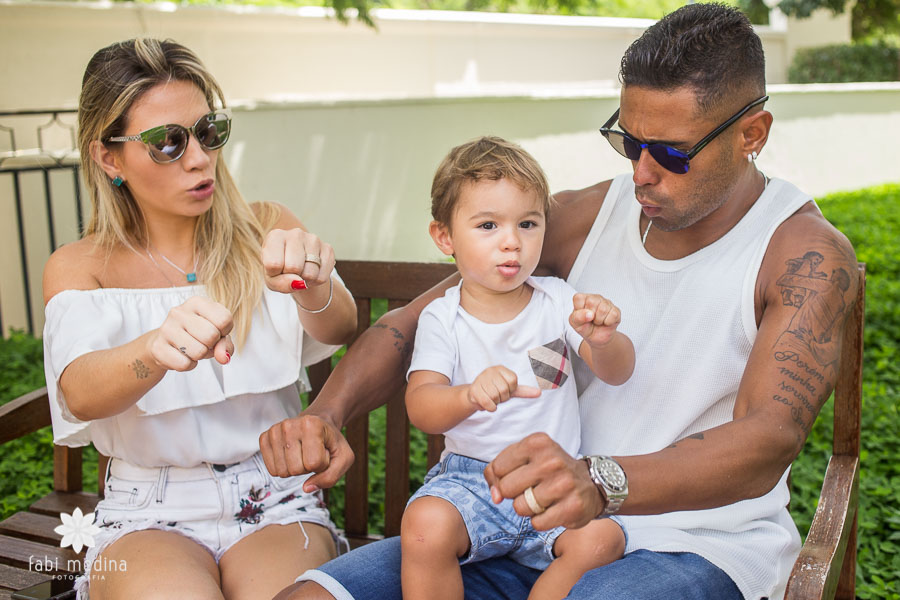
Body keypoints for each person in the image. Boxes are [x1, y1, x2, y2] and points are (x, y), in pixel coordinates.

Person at [265, 4, 860, 599]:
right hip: (526, 523)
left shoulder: (802, 255)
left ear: (751, 134)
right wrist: (326, 413)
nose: (642, 173)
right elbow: (409, 327)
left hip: (692, 543)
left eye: (672, 153)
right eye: (629, 142)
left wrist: (599, 481)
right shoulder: (587, 217)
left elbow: (766, 438)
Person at [42, 38, 357, 600]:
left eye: (208, 131)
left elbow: (340, 328)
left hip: (275, 494)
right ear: (109, 158)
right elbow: (80, 394)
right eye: (167, 142)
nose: (198, 157)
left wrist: (315, 286)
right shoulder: (80, 265)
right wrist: (152, 349)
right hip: (147, 511)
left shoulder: (265, 226)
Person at [400, 136, 634, 600]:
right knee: (425, 525)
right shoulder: (444, 318)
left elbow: (618, 371)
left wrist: (602, 340)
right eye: (488, 225)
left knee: (604, 538)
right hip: (471, 484)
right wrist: (468, 394)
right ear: (444, 236)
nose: (512, 242)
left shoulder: (558, 301)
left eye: (527, 223)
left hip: (552, 481)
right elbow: (421, 406)